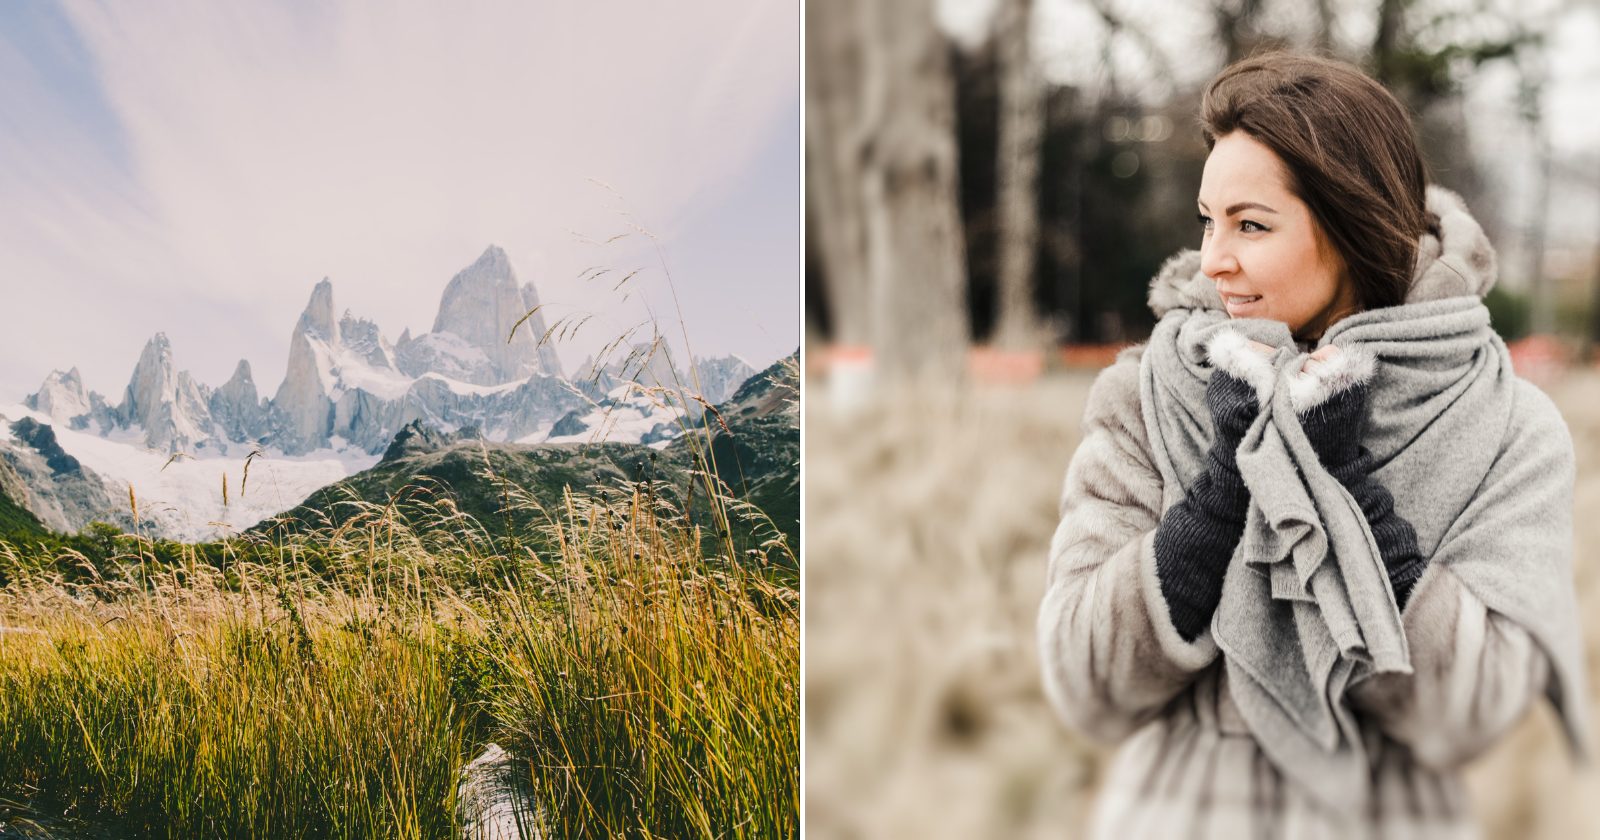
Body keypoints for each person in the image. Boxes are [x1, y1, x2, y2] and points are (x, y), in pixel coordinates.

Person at [1036, 51, 1590, 838]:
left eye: (1251, 224)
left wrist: (1341, 488)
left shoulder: (1505, 427)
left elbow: (1474, 716)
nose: (1213, 258)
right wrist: (1226, 485)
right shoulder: (1148, 396)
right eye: (1208, 219)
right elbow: (1086, 681)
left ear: (1352, 225)